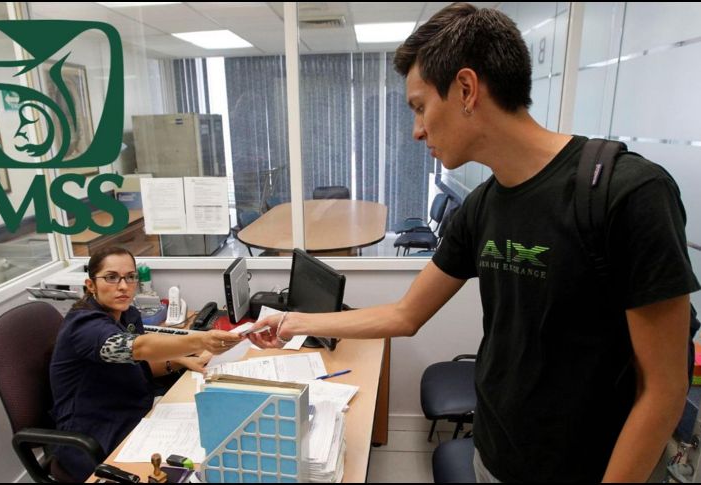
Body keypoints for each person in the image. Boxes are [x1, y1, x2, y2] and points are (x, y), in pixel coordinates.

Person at [250, 3, 700, 482]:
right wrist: (290, 321)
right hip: (493, 454)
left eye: (421, 107)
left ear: (466, 89)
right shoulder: (483, 206)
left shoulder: (626, 192)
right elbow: (405, 315)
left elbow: (665, 388)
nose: (417, 129)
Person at [50, 246, 243, 480]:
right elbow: (138, 347)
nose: (123, 286)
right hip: (97, 435)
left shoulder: (126, 313)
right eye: (111, 278)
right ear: (91, 285)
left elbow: (140, 362)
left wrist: (181, 361)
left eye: (130, 277)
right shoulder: (84, 326)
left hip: (137, 414)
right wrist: (200, 340)